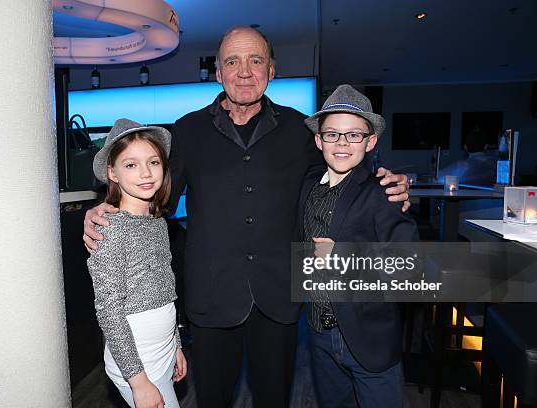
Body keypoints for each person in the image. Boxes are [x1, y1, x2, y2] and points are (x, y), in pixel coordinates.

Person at [84, 27, 410, 408]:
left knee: (274, 398)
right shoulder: (187, 129)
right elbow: (157, 196)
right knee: (214, 400)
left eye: (255, 60)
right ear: (218, 73)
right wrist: (107, 205)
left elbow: (340, 170)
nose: (244, 71)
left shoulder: (300, 130)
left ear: (271, 71)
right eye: (232, 62)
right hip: (212, 294)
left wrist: (388, 178)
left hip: (280, 294)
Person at [299, 84, 419, 407]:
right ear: (318, 140)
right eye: (332, 134)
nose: (342, 144)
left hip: (369, 339)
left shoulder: (383, 192)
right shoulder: (308, 185)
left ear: (370, 142)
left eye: (353, 135)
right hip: (320, 335)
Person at [86, 118, 187, 408]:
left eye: (153, 162)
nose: (145, 173)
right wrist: (138, 380)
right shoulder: (109, 228)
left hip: (162, 351)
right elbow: (109, 311)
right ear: (112, 173)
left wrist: (175, 345)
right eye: (131, 164)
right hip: (137, 362)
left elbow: (165, 289)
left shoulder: (156, 221)